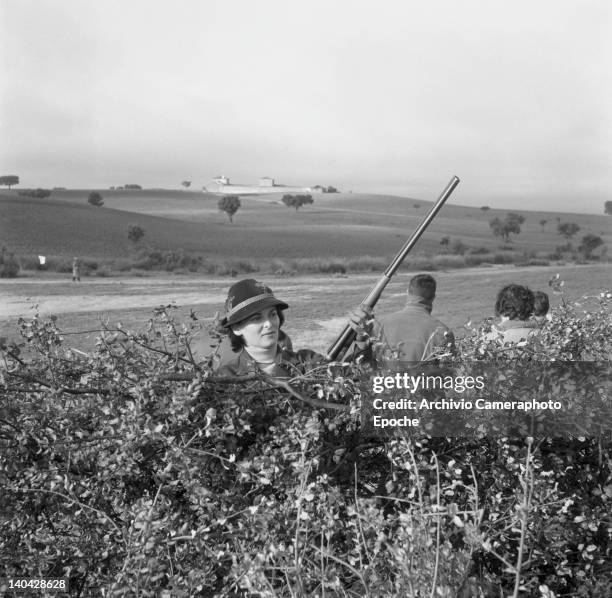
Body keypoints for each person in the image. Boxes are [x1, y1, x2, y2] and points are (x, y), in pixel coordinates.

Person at [215, 279, 322, 377]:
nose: (269, 324)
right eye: (257, 318)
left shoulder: (308, 362)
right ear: (236, 328)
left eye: (273, 314)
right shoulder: (225, 378)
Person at [355, 274, 455, 363]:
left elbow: (364, 362)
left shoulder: (380, 324)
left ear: (407, 292)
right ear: (433, 297)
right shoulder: (444, 332)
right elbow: (448, 373)